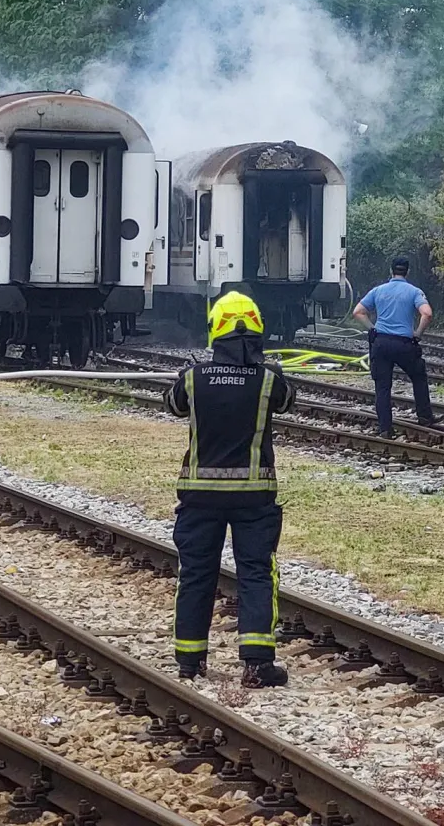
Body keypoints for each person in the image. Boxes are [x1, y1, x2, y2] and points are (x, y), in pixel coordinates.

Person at [164, 290, 293, 688]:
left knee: (196, 574)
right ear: (257, 329)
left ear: (215, 331)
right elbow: (287, 401)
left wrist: (189, 375)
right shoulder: (269, 380)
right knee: (256, 573)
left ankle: (190, 661)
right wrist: (266, 368)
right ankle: (256, 665)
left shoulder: (193, 378)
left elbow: (173, 405)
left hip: (199, 497)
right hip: (254, 498)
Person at [353, 257, 436, 437]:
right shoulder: (414, 292)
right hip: (404, 344)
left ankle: (385, 429)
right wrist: (418, 333)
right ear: (408, 272)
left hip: (381, 343)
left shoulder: (378, 290)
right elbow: (427, 314)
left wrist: (372, 329)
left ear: (390, 271)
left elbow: (358, 312)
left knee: (382, 386)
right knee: (418, 376)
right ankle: (425, 416)